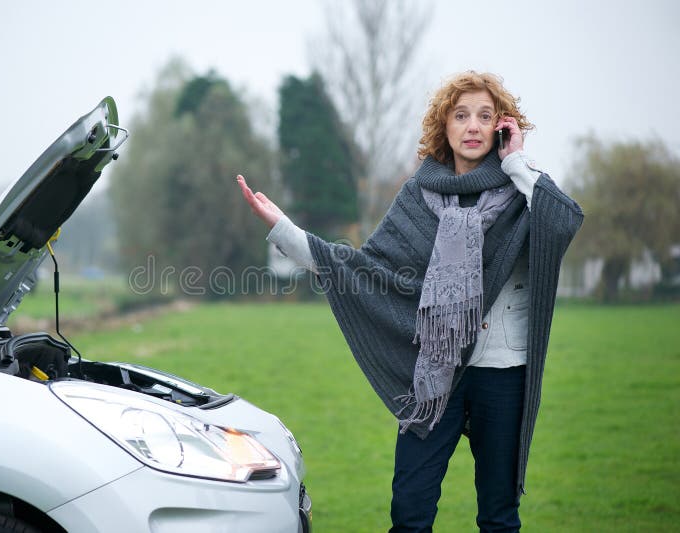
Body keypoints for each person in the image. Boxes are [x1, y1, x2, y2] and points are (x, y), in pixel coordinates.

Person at [237, 71, 583, 532]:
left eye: (485, 116)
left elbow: (564, 222)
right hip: (434, 380)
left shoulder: (523, 194)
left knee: (499, 517)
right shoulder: (419, 197)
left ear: (502, 126)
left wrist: (517, 161)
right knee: (410, 513)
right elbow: (366, 272)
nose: (473, 126)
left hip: (504, 375)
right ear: (445, 126)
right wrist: (286, 230)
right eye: (461, 116)